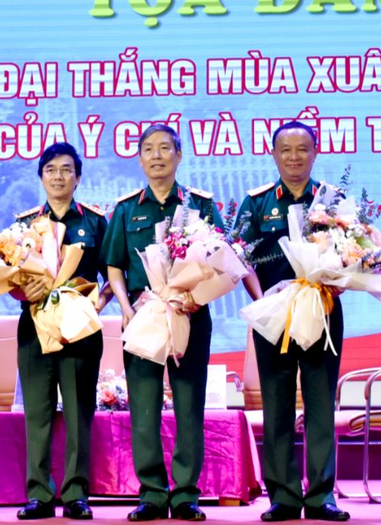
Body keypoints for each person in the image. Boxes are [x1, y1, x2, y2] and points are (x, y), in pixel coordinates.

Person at [102, 124, 223, 522]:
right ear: (139, 159)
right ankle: (152, 493)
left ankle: (186, 493)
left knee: (189, 405)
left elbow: (222, 259)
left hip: (190, 314)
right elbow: (114, 265)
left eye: (165, 148)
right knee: (144, 407)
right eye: (148, 149)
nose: (156, 155)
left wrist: (194, 296)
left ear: (179, 155)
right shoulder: (126, 209)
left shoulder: (200, 205)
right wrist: (125, 307)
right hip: (144, 314)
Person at [237, 121, 350, 522]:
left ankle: (321, 496)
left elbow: (353, 251)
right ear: (274, 155)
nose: (294, 157)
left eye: (302, 149)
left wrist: (339, 282)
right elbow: (240, 258)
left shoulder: (333, 201)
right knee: (277, 405)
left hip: (322, 311)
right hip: (273, 316)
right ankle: (283, 496)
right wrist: (261, 301)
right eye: (285, 149)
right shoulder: (257, 202)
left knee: (320, 405)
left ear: (315, 153)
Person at [11, 143, 108, 520]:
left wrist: (97, 304)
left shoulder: (95, 221)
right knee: (37, 412)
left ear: (78, 178)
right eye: (50, 170)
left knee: (79, 412)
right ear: (41, 177)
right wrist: (24, 291)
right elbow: (10, 280)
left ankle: (76, 493)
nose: (58, 177)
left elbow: (112, 274)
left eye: (66, 170)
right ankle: (38, 493)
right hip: (35, 327)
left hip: (80, 329)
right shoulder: (24, 225)